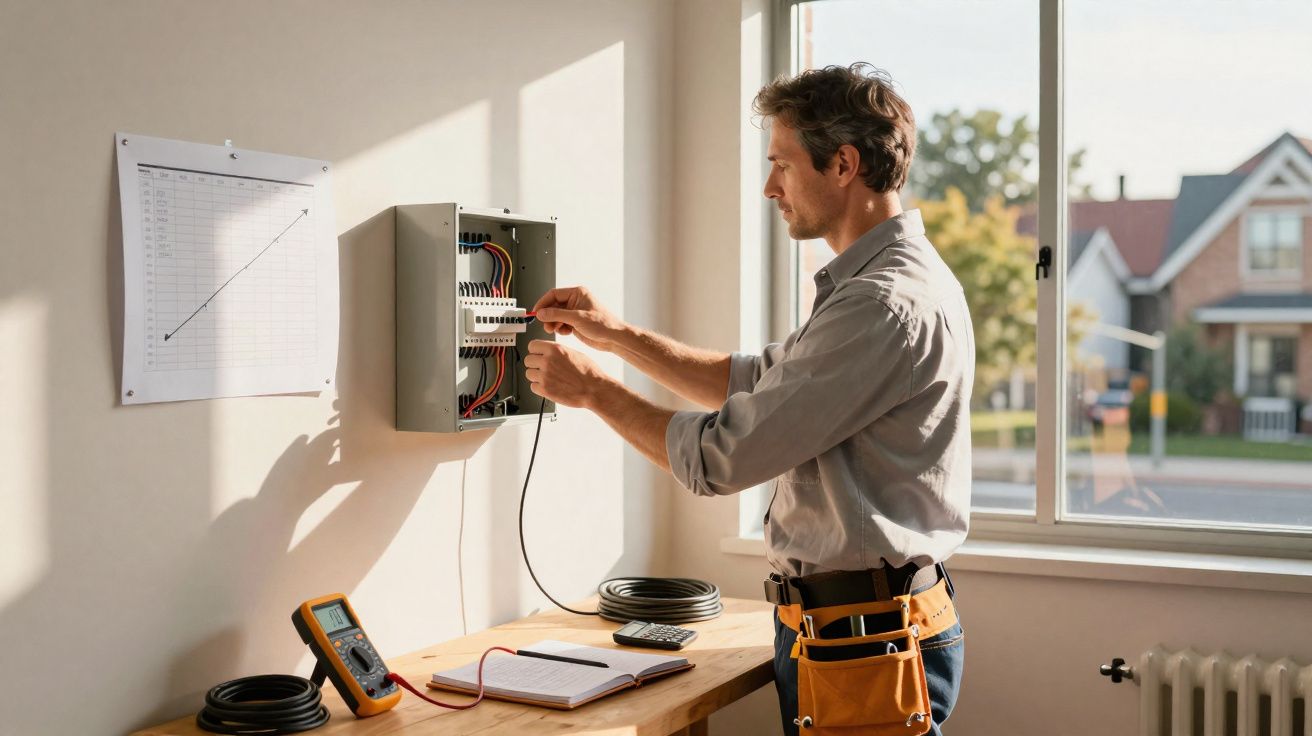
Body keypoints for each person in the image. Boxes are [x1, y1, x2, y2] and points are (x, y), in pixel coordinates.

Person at [524, 63, 974, 735]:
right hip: (854, 630)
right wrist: (617, 336)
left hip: (863, 643)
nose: (770, 187)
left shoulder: (881, 304)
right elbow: (757, 380)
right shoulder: (880, 285)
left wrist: (594, 391)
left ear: (844, 164)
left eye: (782, 165)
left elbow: (720, 459)